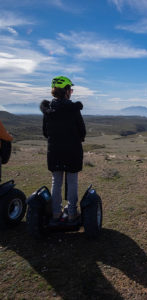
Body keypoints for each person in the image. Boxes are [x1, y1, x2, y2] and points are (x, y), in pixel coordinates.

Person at [40, 76, 86, 224]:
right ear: (66, 91)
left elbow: (45, 132)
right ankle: (72, 213)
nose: (71, 92)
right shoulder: (73, 109)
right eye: (70, 89)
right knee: (72, 181)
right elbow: (82, 131)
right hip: (72, 151)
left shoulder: (48, 110)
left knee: (56, 181)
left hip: (54, 151)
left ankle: (55, 213)